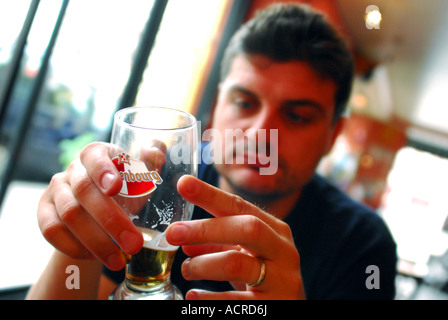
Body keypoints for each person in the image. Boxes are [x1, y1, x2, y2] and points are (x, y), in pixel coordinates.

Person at [26, 3, 397, 300]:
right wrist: (81, 236)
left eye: (297, 116)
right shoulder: (159, 179)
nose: (261, 132)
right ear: (217, 107)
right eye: (245, 102)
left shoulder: (361, 243)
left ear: (333, 136)